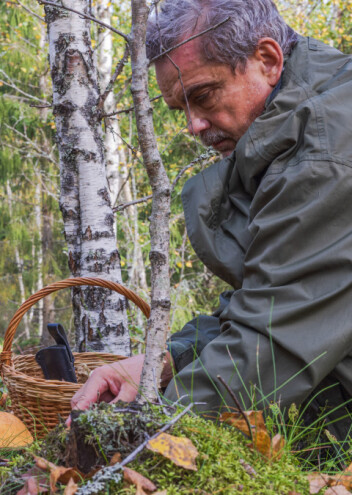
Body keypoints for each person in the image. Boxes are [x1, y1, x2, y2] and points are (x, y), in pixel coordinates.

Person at [71, 0, 352, 445]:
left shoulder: (326, 155)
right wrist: (165, 360)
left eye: (203, 96)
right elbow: (267, 299)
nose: (194, 125)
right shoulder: (293, 134)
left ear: (267, 60)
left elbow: (271, 347)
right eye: (180, 107)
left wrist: (135, 433)